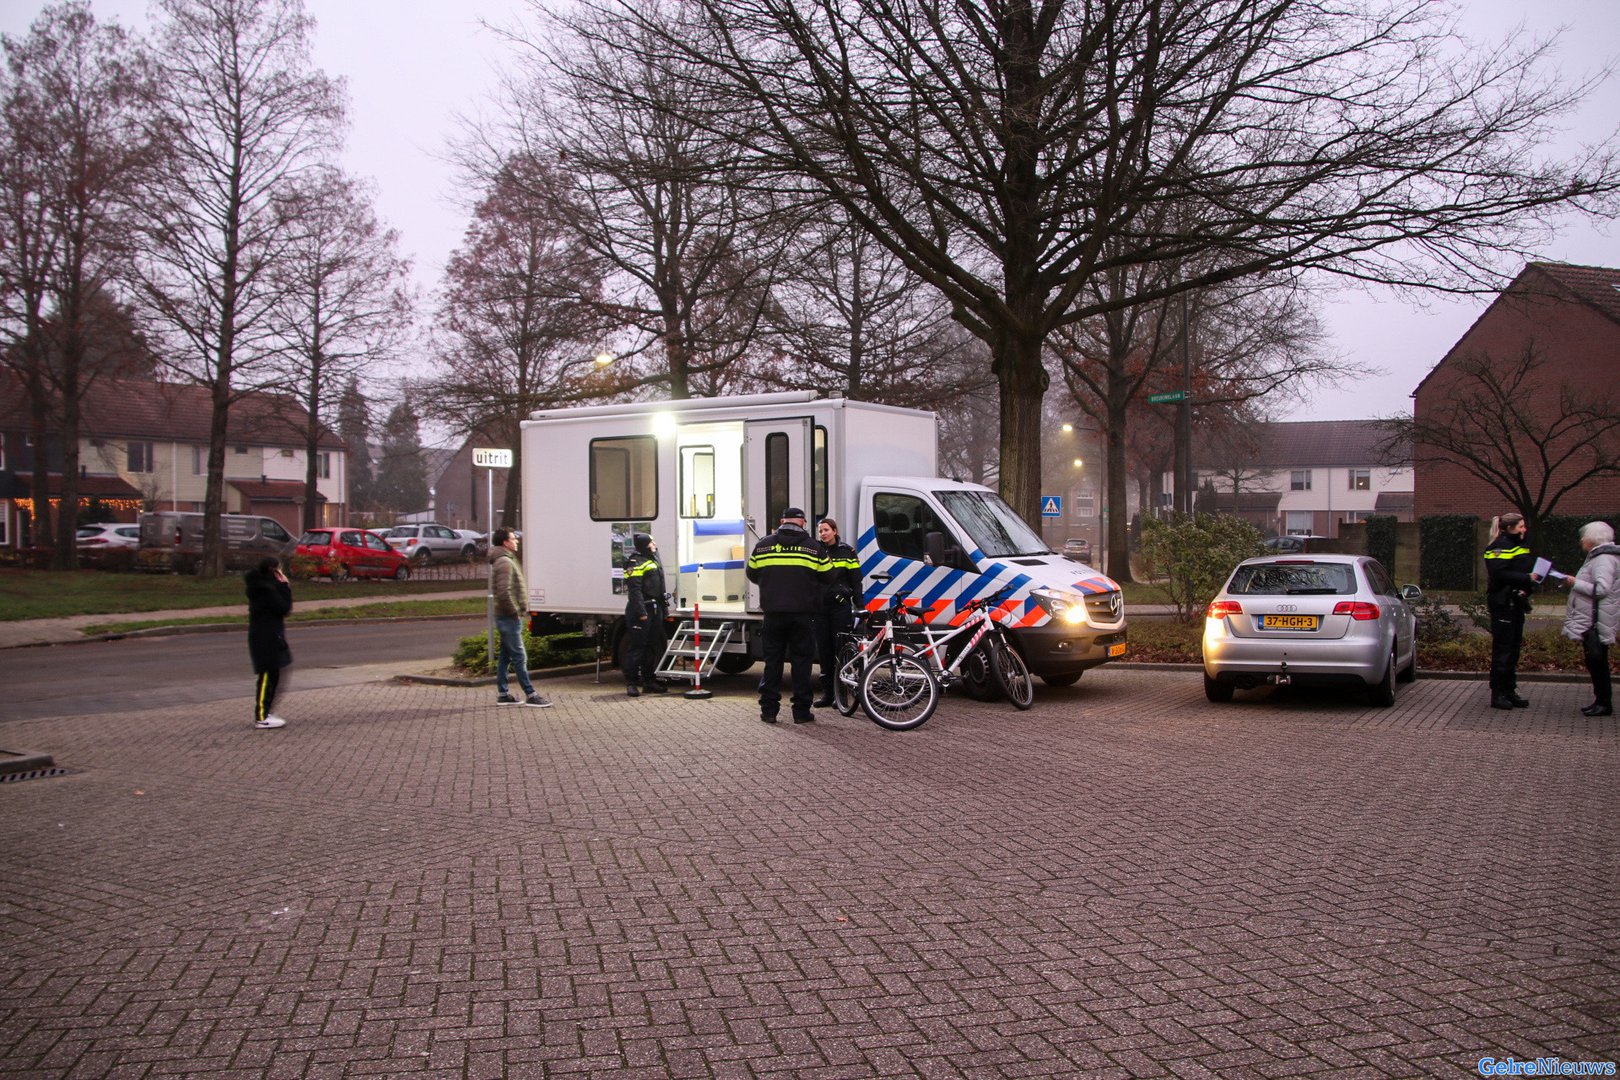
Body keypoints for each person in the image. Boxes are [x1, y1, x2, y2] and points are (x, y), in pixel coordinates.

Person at [746, 506, 830, 723]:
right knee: (801, 662)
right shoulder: (814, 548)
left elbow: (752, 573)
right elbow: (828, 577)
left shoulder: (763, 546)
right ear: (802, 522)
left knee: (772, 661)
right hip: (802, 615)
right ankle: (801, 712)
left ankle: (769, 711)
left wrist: (771, 584)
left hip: (773, 615)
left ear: (782, 521)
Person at [1483, 511, 1543, 711]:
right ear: (1509, 528)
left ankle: (1509, 690)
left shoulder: (1519, 546)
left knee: (1514, 647)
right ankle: (1498, 693)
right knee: (1503, 649)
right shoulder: (1497, 548)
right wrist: (1527, 579)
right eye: (1520, 527)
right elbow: (1499, 574)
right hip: (1503, 604)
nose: (1524, 530)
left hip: (1515, 602)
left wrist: (1528, 587)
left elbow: (1522, 570)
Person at [1561, 521, 1620, 717]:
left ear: (1593, 539)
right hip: (1597, 618)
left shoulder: (1602, 559)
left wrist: (1575, 583)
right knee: (1596, 660)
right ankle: (1600, 700)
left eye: (1584, 536)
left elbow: (1602, 589)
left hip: (1596, 620)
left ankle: (1603, 703)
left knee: (1597, 661)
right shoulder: (1599, 557)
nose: (1581, 540)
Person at [488, 528, 551, 708]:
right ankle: (531, 694)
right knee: (519, 655)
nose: (517, 541)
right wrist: (515, 611)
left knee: (506, 656)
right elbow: (504, 591)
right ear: (505, 542)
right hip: (508, 617)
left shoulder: (504, 560)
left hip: (506, 616)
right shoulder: (504, 562)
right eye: (513, 538)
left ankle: (503, 694)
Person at [812, 516, 862, 707]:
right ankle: (827, 694)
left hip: (840, 608)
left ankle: (841, 695)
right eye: (820, 531)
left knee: (840, 650)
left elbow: (856, 581)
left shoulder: (847, 552)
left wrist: (860, 605)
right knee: (824, 651)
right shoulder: (815, 551)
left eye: (826, 530)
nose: (823, 533)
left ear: (835, 531)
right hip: (820, 608)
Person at [245, 556, 293, 730]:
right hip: (266, 637)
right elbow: (284, 608)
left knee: (274, 674)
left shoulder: (262, 586)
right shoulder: (266, 590)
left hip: (268, 635)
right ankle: (261, 716)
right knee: (267, 675)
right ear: (274, 571)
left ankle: (266, 712)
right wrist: (284, 586)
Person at [623, 531, 669, 696]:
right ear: (645, 545)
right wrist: (641, 612)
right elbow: (634, 591)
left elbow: (660, 585)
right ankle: (631, 683)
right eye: (652, 542)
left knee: (651, 646)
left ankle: (649, 681)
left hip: (654, 608)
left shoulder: (652, 559)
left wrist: (663, 609)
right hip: (640, 611)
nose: (655, 544)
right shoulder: (634, 562)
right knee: (637, 648)